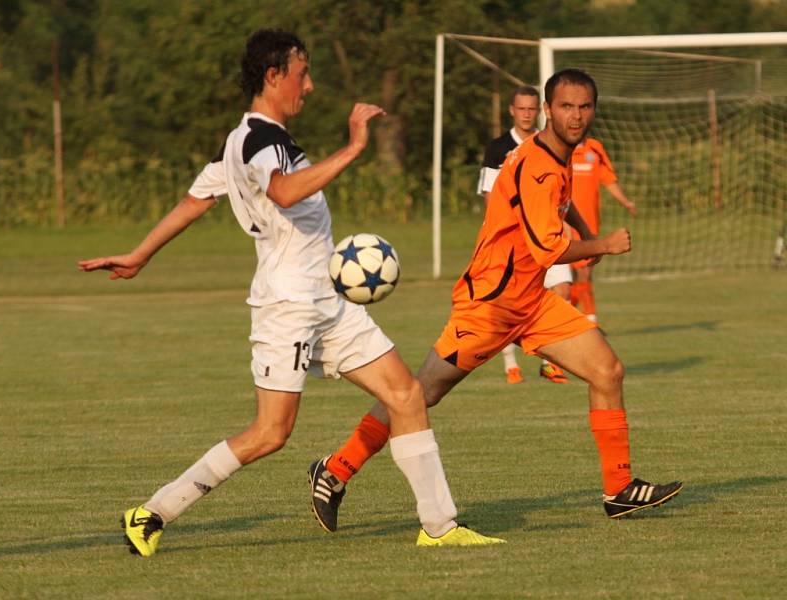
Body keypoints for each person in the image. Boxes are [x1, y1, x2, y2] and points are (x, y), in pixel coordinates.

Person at [78, 29, 503, 555]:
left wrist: (140, 254)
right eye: (303, 74)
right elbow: (282, 191)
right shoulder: (259, 140)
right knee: (270, 433)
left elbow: (195, 200)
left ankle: (439, 525)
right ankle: (153, 512)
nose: (310, 85)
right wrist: (354, 147)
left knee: (406, 393)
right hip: (288, 306)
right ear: (274, 76)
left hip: (327, 300)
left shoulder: (245, 140)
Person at [308, 69, 683, 535]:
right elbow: (549, 248)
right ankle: (335, 470)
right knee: (419, 394)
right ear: (548, 108)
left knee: (607, 370)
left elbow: (562, 204)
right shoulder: (537, 164)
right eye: (566, 106)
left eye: (585, 106)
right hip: (490, 303)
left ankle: (619, 489)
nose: (576, 115)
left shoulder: (558, 155)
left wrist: (586, 232)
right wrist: (603, 245)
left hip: (531, 301)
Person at [478, 86, 571, 385]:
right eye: (522, 109)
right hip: (514, 241)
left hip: (548, 233)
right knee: (512, 303)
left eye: (532, 108)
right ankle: (510, 364)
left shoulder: (550, 144)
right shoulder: (498, 148)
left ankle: (549, 362)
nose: (527, 114)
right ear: (512, 111)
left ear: (540, 109)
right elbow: (490, 194)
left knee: (563, 290)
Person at [569, 138, 637, 325]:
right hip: (563, 225)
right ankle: (587, 321)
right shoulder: (561, 148)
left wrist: (626, 201)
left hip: (589, 226)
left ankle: (578, 320)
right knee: (569, 281)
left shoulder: (595, 148)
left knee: (583, 275)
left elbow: (608, 179)